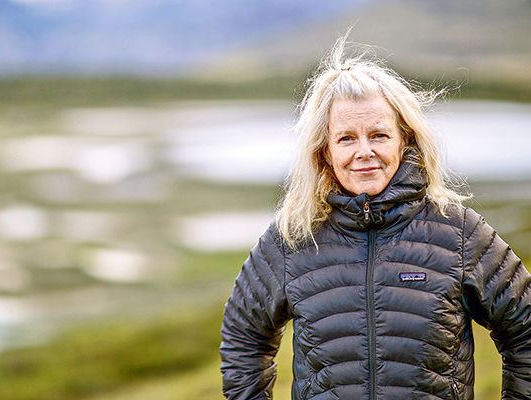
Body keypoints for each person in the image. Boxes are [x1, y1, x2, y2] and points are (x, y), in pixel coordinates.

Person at [219, 35, 531, 400]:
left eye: (379, 135)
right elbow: (242, 341)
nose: (364, 152)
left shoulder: (460, 232)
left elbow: (525, 334)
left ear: (405, 140)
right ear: (324, 152)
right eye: (346, 138)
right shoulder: (292, 239)